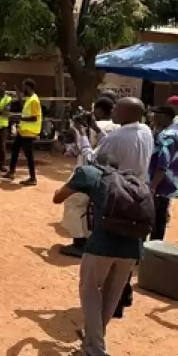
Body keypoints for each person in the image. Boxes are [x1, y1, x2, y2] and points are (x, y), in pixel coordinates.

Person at [52, 149, 141, 356]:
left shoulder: (89, 172)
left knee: (90, 292)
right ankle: (94, 337)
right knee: (111, 295)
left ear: (95, 161)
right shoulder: (130, 178)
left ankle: (96, 354)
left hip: (102, 244)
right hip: (132, 247)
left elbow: (58, 197)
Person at [74, 97, 154, 314]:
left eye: (118, 108)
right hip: (138, 196)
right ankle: (123, 295)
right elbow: (112, 144)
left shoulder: (117, 137)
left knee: (109, 248)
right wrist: (94, 128)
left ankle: (107, 305)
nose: (114, 111)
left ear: (128, 113)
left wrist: (82, 135)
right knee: (128, 248)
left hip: (115, 196)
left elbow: (93, 162)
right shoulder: (146, 130)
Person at [60, 96, 117, 257]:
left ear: (99, 110)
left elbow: (84, 153)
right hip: (108, 174)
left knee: (74, 203)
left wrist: (79, 132)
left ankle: (79, 243)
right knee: (95, 208)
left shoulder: (91, 128)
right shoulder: (118, 128)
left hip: (87, 172)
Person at [148, 105, 178, 241]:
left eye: (155, 114)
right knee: (157, 217)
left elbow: (163, 164)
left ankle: (154, 251)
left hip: (161, 184)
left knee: (157, 219)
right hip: (160, 183)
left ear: (164, 116)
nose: (152, 116)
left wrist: (153, 186)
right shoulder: (162, 131)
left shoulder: (169, 136)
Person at [3, 79, 42, 186]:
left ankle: (33, 178)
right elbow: (23, 106)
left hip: (29, 131)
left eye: (24, 87)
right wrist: (18, 94)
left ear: (29, 87)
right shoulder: (30, 99)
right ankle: (11, 172)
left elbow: (34, 117)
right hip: (23, 130)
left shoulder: (34, 100)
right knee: (15, 149)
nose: (23, 89)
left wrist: (19, 117)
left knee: (29, 155)